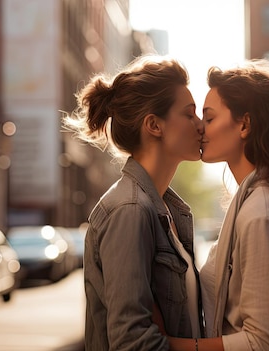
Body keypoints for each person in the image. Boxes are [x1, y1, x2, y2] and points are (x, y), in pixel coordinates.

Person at [167, 59, 269, 351]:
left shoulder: (263, 213)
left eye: (209, 118)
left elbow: (264, 343)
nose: (199, 128)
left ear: (244, 124)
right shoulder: (252, 202)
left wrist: (170, 347)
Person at [63, 55, 205, 350]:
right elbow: (133, 342)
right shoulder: (130, 211)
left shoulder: (165, 210)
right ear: (154, 125)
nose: (201, 125)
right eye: (190, 114)